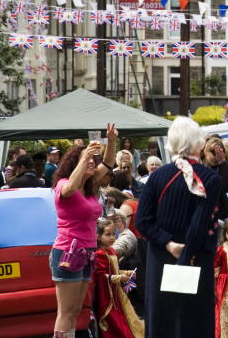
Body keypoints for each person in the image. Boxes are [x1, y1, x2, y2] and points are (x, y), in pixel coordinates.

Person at [136, 117, 222, 338]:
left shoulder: (157, 176)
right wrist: (185, 255)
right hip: (195, 258)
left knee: (162, 319)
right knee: (193, 321)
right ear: (198, 144)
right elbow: (200, 223)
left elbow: (143, 221)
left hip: (161, 257)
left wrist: (168, 243)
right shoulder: (209, 178)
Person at [50, 125, 117, 338]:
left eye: (90, 161)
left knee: (77, 311)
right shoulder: (63, 185)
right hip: (68, 252)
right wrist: (83, 155)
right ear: (74, 164)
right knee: (66, 311)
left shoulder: (89, 187)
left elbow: (107, 163)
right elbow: (70, 187)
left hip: (86, 253)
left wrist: (111, 140)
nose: (91, 163)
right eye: (86, 161)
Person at [94, 218, 144, 338]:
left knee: (126, 316)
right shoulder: (99, 254)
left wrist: (126, 273)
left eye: (114, 234)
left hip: (117, 293)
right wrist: (119, 278)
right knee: (113, 319)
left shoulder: (112, 251)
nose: (112, 237)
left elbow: (114, 270)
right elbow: (101, 276)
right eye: (108, 234)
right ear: (98, 236)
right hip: (107, 296)